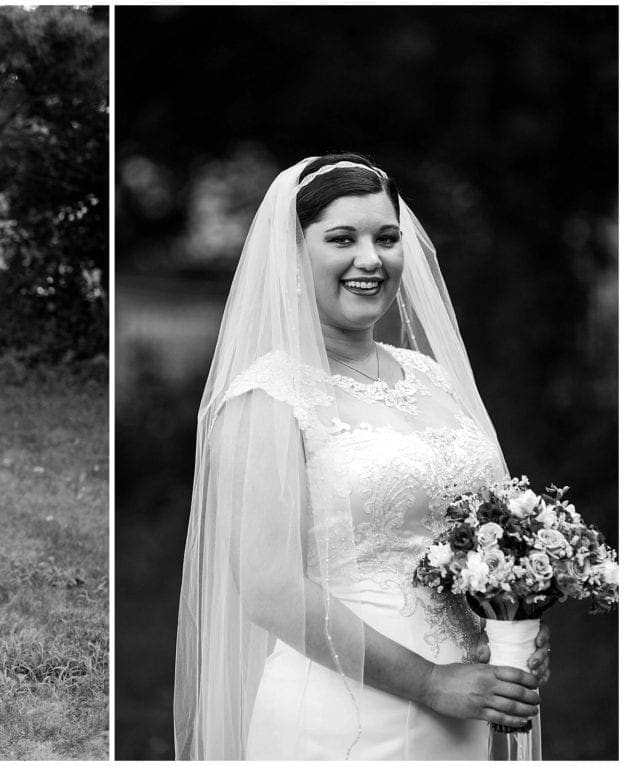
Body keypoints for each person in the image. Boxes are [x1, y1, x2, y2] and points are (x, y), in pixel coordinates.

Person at [174, 155, 552, 760]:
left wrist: (514, 623)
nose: (371, 259)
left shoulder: (433, 378)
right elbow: (270, 589)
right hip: (344, 714)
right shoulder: (266, 398)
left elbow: (493, 537)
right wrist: (431, 682)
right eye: (342, 239)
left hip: (469, 706)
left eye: (387, 237)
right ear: (292, 257)